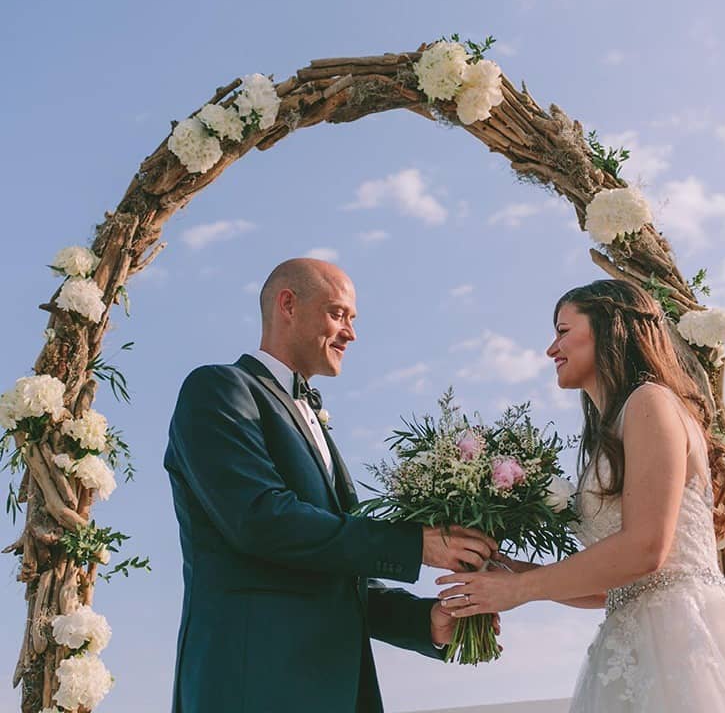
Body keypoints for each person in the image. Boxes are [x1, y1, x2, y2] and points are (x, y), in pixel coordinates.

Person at [436, 279, 725, 711]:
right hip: (632, 645)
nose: (552, 349)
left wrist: (521, 591)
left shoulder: (651, 403)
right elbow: (613, 587)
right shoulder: (612, 431)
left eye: (563, 331)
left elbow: (647, 549)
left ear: (611, 327)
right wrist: (513, 573)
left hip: (684, 643)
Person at [164, 258, 498, 713]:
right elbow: (262, 520)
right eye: (338, 313)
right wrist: (416, 544)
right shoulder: (219, 389)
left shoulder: (315, 420)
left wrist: (427, 622)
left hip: (338, 688)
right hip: (252, 685)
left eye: (353, 320)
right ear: (288, 304)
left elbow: (340, 573)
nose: (351, 333)